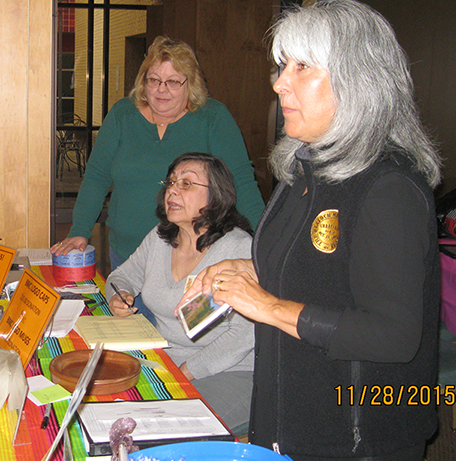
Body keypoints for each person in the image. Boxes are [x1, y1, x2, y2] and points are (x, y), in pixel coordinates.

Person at [179, 1, 442, 459]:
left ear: (359, 79)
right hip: (285, 416)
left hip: (356, 436)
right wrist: (246, 268)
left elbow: (395, 336)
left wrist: (268, 305)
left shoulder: (389, 187)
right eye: (283, 66)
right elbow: (322, 271)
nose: (280, 82)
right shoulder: (303, 173)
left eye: (303, 67)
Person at [51, 35, 264, 271]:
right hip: (126, 254)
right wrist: (79, 230)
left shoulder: (213, 118)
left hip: (193, 258)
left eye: (173, 82)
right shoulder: (123, 115)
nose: (162, 89)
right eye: (154, 80)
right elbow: (96, 177)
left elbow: (242, 183)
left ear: (190, 83)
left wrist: (264, 242)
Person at [105, 152, 255, 431]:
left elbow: (244, 336)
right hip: (166, 362)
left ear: (216, 196)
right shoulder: (161, 237)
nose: (172, 190)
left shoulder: (238, 249)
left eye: (187, 184)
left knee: (161, 429)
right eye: (171, 181)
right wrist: (119, 294)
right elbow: (121, 275)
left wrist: (185, 372)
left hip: (231, 372)